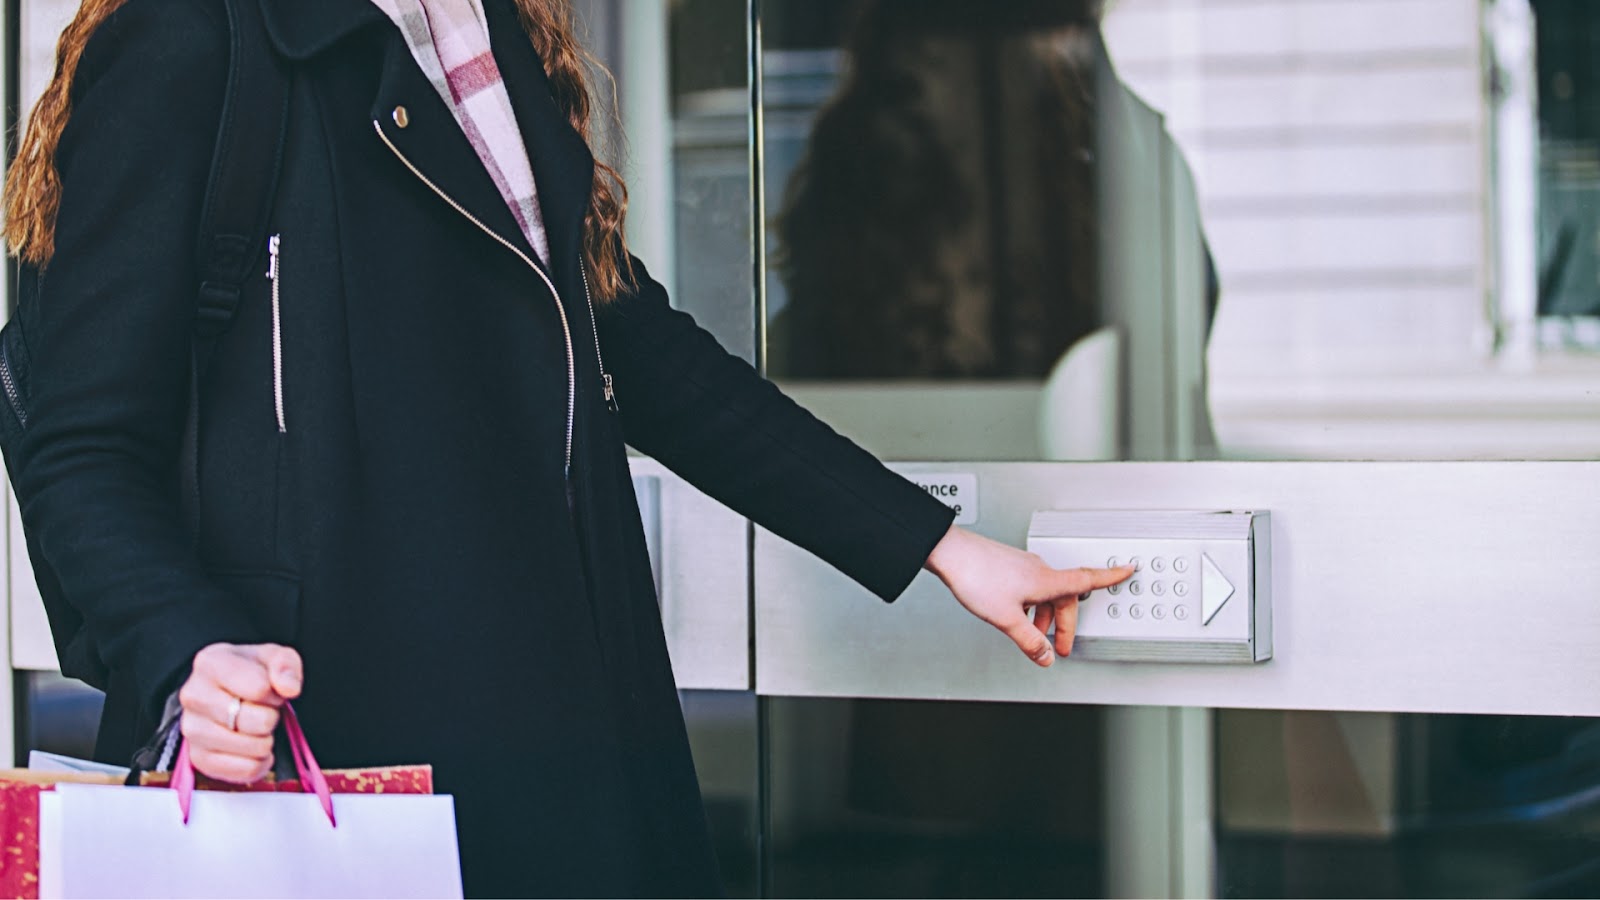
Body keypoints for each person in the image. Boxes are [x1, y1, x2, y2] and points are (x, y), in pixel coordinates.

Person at [2, 0, 1132, 895]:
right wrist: (185, 653)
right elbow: (80, 437)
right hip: (336, 736)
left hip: (569, 724)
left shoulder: (490, 35)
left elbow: (641, 350)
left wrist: (936, 545)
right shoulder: (194, 39)